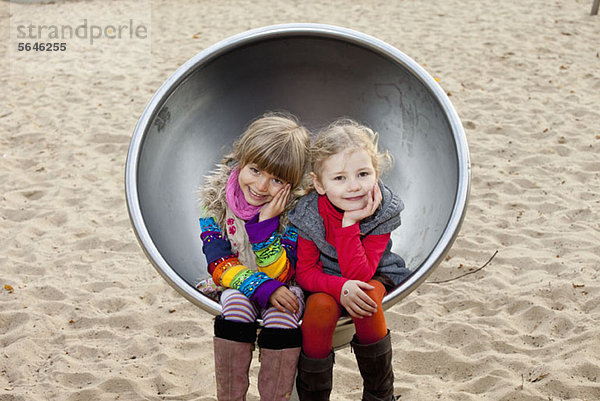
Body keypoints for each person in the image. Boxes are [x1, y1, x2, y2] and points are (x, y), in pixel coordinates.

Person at [288, 119, 411, 401]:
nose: (354, 187)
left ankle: (380, 396)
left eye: (363, 174)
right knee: (319, 308)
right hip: (326, 279)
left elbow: (362, 273)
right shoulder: (308, 213)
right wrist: (338, 288)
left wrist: (349, 224)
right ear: (319, 184)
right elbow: (305, 272)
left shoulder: (384, 209)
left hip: (374, 273)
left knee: (366, 299)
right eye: (339, 178)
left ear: (376, 173)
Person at [196, 112, 310, 401]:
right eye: (256, 170)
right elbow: (218, 264)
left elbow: (282, 275)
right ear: (241, 160)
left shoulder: (297, 212)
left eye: (276, 180)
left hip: (285, 286)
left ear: (292, 184)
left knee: (284, 316)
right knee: (234, 307)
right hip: (238, 283)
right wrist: (260, 287)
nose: (261, 187)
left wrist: (265, 227)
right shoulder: (216, 201)